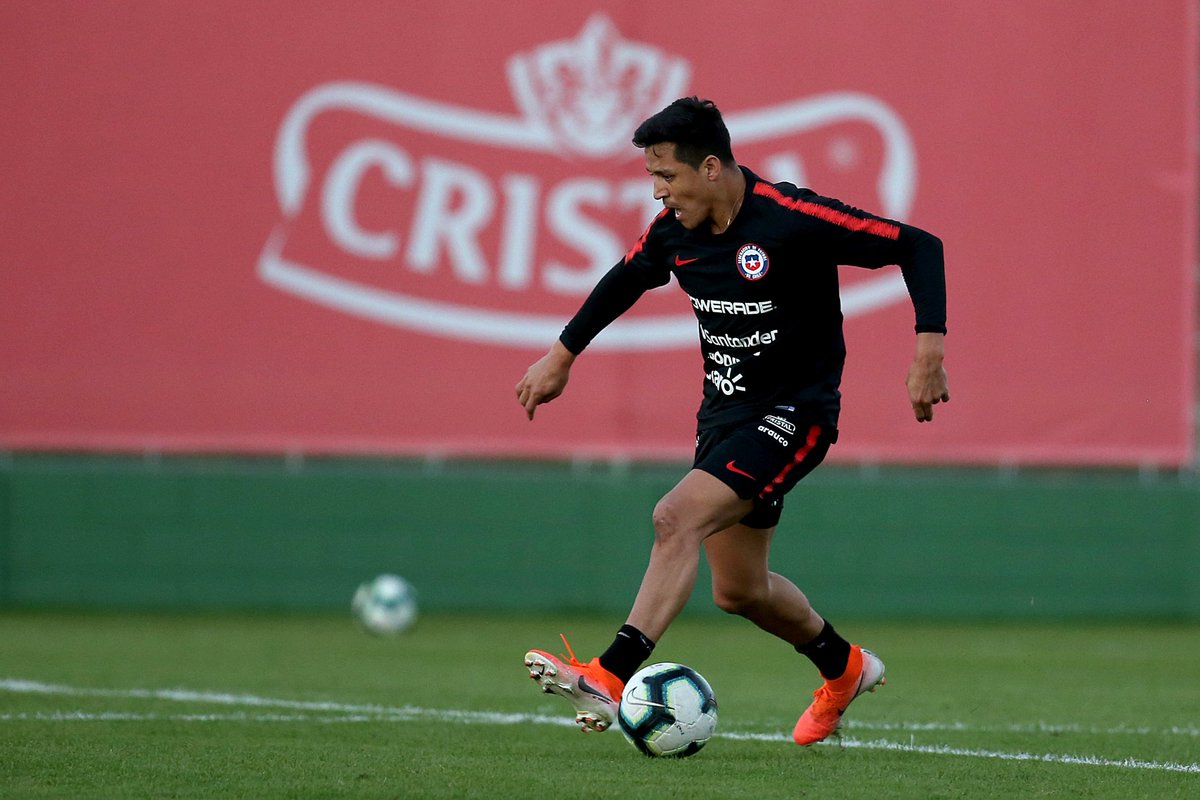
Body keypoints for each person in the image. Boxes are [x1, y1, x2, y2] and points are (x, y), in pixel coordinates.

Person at [514, 96, 949, 745]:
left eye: (668, 176)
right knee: (740, 590)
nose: (660, 191)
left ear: (711, 167)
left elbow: (918, 245)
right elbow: (625, 279)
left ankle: (610, 673)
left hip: (796, 412)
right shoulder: (674, 232)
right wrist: (562, 353)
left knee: (674, 516)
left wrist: (928, 351)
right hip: (724, 414)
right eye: (653, 178)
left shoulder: (791, 219)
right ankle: (845, 667)